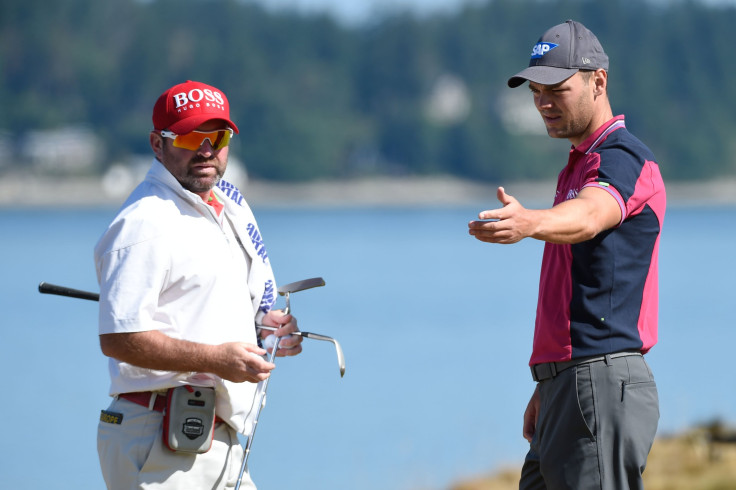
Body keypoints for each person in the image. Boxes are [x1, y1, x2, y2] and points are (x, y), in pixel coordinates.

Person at [468, 20, 666, 489]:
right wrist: (548, 381)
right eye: (536, 90)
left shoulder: (623, 159)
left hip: (601, 377)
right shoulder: (579, 165)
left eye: (557, 88)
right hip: (570, 383)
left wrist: (529, 222)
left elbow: (592, 215)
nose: (542, 102)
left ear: (599, 82)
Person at [94, 80, 303, 490]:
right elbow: (119, 338)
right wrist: (216, 359)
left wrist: (269, 328)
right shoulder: (144, 222)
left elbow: (215, 305)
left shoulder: (226, 208)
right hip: (156, 437)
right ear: (158, 144)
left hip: (215, 438)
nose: (206, 150)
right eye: (191, 136)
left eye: (218, 136)